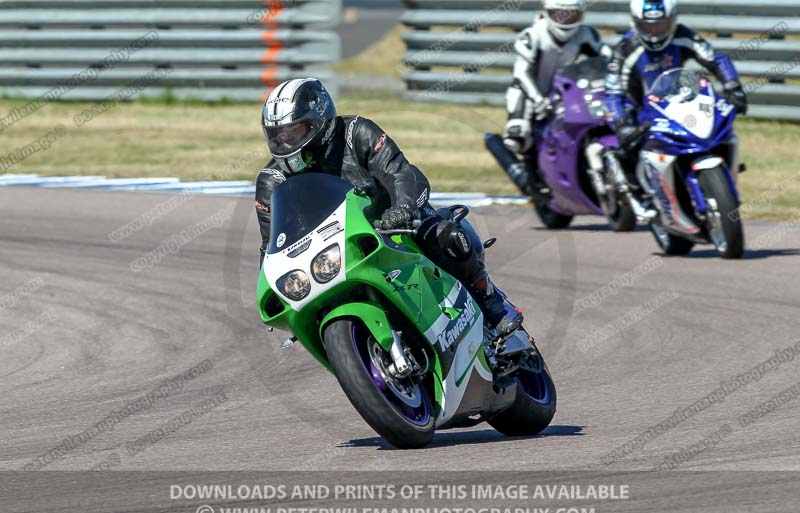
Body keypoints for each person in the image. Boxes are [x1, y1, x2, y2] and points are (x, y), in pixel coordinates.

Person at [255, 78, 523, 336]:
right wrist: (274, 290)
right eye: (277, 135)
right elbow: (271, 246)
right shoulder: (271, 180)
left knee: (444, 235)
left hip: (392, 223)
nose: (284, 142)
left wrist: (403, 208)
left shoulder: (356, 133)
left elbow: (399, 171)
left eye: (294, 131)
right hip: (338, 251)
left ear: (319, 121)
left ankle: (492, 303)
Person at [606, 0, 747, 156]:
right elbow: (612, 92)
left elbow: (716, 59)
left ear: (673, 21)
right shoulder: (625, 48)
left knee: (720, 133)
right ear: (635, 24)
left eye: (661, 25)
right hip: (640, 113)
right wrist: (621, 123)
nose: (654, 33)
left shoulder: (683, 35)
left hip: (676, 104)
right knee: (627, 153)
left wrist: (733, 86)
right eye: (647, 26)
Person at [503, 0, 610, 194]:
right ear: (547, 12)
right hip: (529, 93)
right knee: (517, 136)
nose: (566, 20)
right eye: (560, 14)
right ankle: (533, 179)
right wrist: (538, 99)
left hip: (566, 91)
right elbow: (521, 74)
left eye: (572, 14)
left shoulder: (587, 34)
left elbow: (606, 59)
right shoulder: (533, 35)